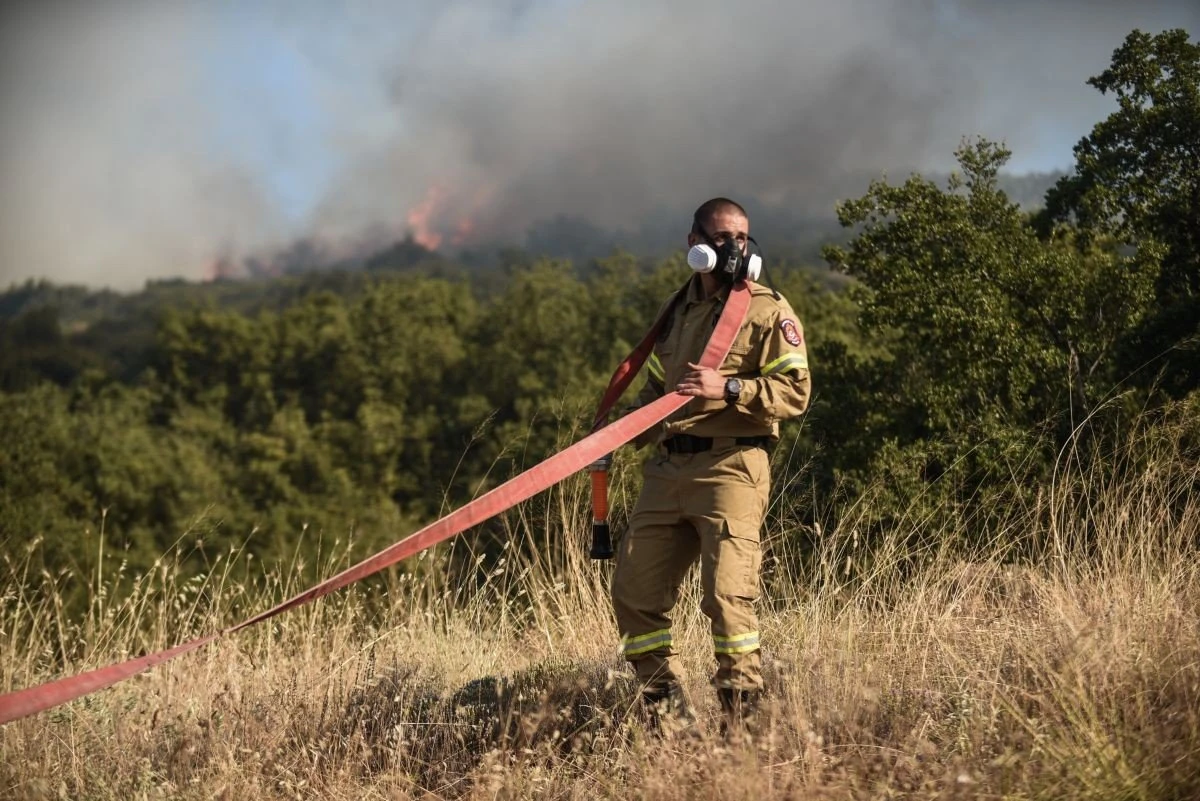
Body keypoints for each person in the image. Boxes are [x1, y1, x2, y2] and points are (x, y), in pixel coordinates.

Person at [611, 197, 812, 739]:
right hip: (667, 468)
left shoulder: (768, 311)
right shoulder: (676, 313)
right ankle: (668, 719)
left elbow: (795, 393)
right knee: (634, 595)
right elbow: (656, 391)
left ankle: (741, 730)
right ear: (694, 241)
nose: (734, 249)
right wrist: (613, 436)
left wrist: (727, 387)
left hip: (732, 466)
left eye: (742, 238)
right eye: (723, 238)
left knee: (726, 599)